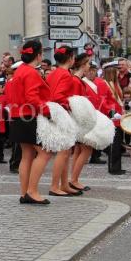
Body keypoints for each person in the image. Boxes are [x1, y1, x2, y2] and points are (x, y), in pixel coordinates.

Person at [9, 41, 53, 205]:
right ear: (39, 55)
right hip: (28, 116)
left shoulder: (20, 71)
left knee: (27, 155)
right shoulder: (30, 72)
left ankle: (25, 192)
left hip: (18, 116)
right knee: (44, 153)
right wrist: (48, 111)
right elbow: (32, 97)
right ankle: (32, 191)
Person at [45, 46, 82, 196]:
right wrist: (73, 106)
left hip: (53, 112)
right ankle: (55, 186)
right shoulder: (66, 75)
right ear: (71, 58)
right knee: (64, 151)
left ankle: (64, 184)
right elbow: (58, 96)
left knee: (65, 151)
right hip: (60, 113)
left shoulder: (52, 73)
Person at [69, 53, 93, 192]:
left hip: (78, 118)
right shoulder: (76, 81)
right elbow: (76, 102)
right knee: (86, 149)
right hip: (78, 119)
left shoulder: (78, 80)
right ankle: (74, 180)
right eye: (88, 63)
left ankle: (74, 178)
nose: (89, 66)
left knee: (79, 149)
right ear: (83, 65)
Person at [102, 61, 126, 175]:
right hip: (112, 117)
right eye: (116, 70)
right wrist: (111, 112)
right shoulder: (105, 84)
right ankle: (113, 168)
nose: (118, 72)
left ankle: (117, 166)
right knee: (114, 144)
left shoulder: (115, 84)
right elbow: (104, 101)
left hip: (118, 117)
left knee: (118, 143)